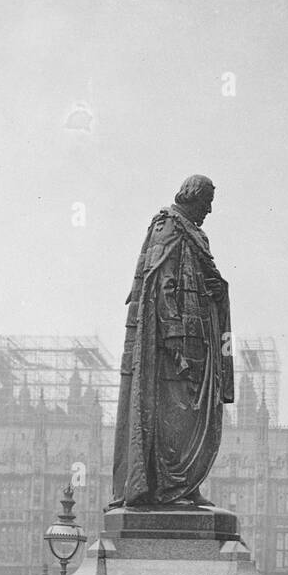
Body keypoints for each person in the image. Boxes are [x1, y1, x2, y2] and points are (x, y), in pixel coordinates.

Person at [111, 174, 233, 507]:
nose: (208, 210)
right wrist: (175, 339)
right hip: (171, 346)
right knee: (174, 415)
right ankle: (168, 488)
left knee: (192, 415)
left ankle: (186, 486)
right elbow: (161, 287)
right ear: (193, 197)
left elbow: (196, 281)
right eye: (207, 203)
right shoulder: (168, 227)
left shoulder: (195, 234)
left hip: (199, 343)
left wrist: (218, 291)